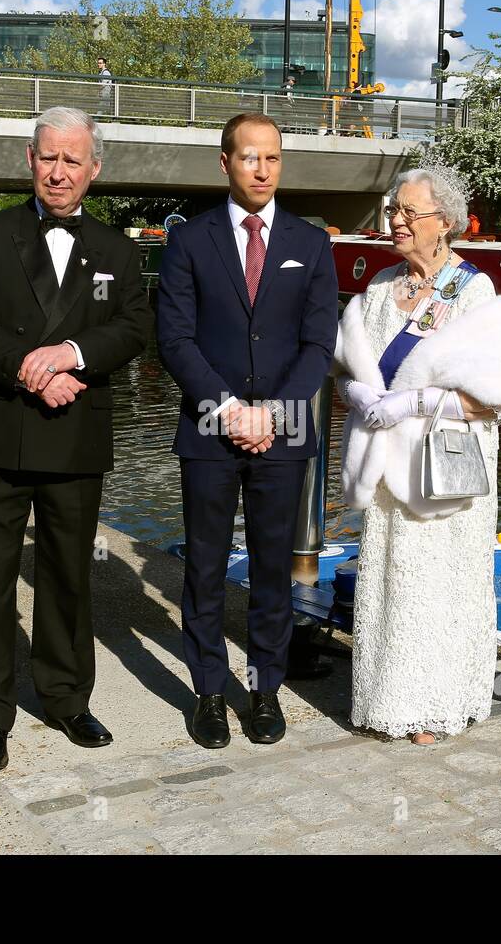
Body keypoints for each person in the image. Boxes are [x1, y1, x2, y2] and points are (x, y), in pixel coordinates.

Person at [0, 106, 152, 772]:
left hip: (74, 436)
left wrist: (73, 352)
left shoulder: (119, 250)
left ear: (94, 169)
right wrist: (32, 373)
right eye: (47, 158)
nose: (58, 172)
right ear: (29, 160)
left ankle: (65, 699)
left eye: (72, 160)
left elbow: (133, 327)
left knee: (67, 579)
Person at [156, 113, 339, 749]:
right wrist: (231, 409)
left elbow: (320, 345)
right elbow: (175, 339)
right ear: (226, 163)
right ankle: (208, 690)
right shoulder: (188, 241)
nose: (263, 169)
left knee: (270, 568)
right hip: (209, 430)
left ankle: (264, 692)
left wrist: (275, 413)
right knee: (204, 566)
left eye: (273, 158)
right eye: (250, 158)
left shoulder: (311, 244)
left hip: (284, 434)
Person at [332, 168, 501, 745]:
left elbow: (490, 400)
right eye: (394, 210)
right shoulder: (377, 289)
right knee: (394, 579)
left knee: (441, 584)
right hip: (390, 468)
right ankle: (387, 698)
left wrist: (413, 400)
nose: (396, 220)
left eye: (409, 212)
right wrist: (359, 394)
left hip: (443, 467)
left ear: (444, 222)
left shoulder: (474, 293)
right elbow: (353, 369)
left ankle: (437, 705)